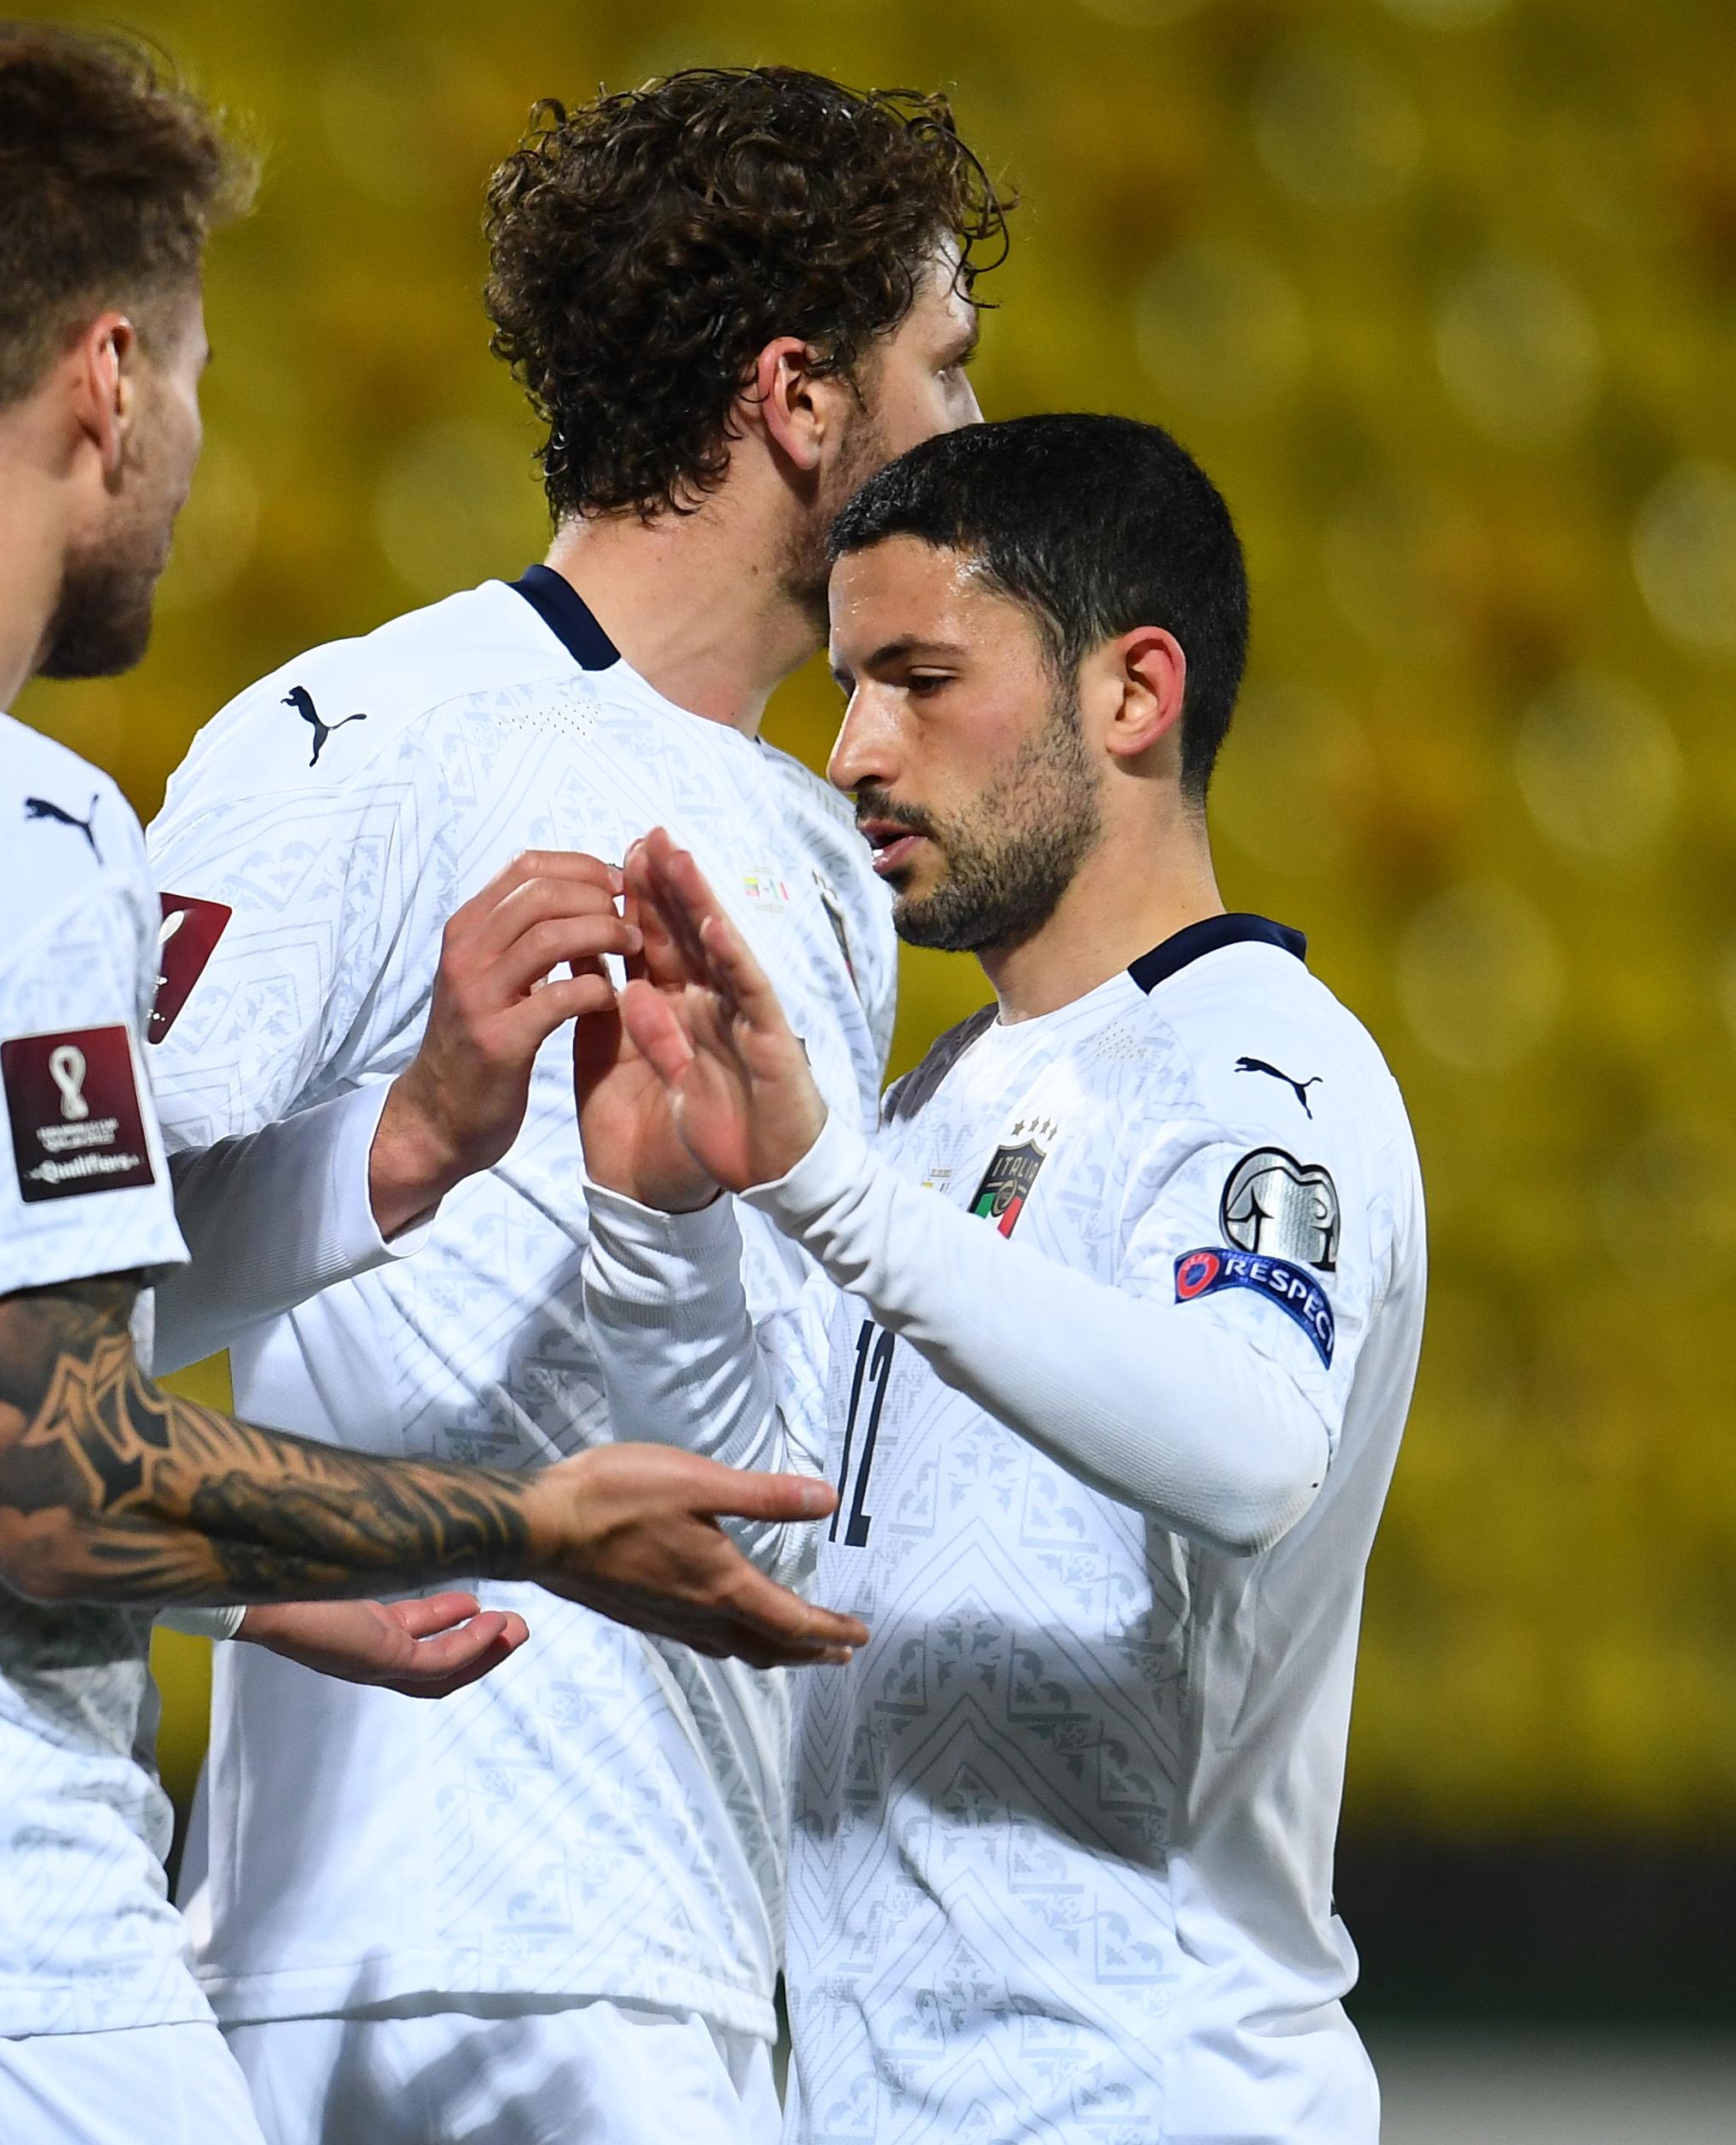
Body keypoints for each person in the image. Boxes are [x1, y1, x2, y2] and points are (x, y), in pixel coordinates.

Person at [0, 27, 864, 2144]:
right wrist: (535, 1522)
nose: (191, 447)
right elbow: (51, 1482)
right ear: (106, 379)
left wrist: (391, 1148)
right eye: (190, 380)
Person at [139, 69, 1008, 2143]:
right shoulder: (358, 735)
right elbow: (21, 1315)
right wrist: (244, 1575)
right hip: (412, 1962)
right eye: (945, 367)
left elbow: (742, 1436)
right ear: (802, 397)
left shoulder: (818, 847)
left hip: (679, 1945)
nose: (972, 438)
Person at [579, 413, 1424, 2143]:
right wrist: (662, 1225)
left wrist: (836, 1198)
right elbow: (786, 1541)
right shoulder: (933, 1103)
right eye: (845, 685)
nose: (853, 753)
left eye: (919, 677)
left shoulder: (1264, 1069)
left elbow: (1256, 1446)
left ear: (1133, 694)